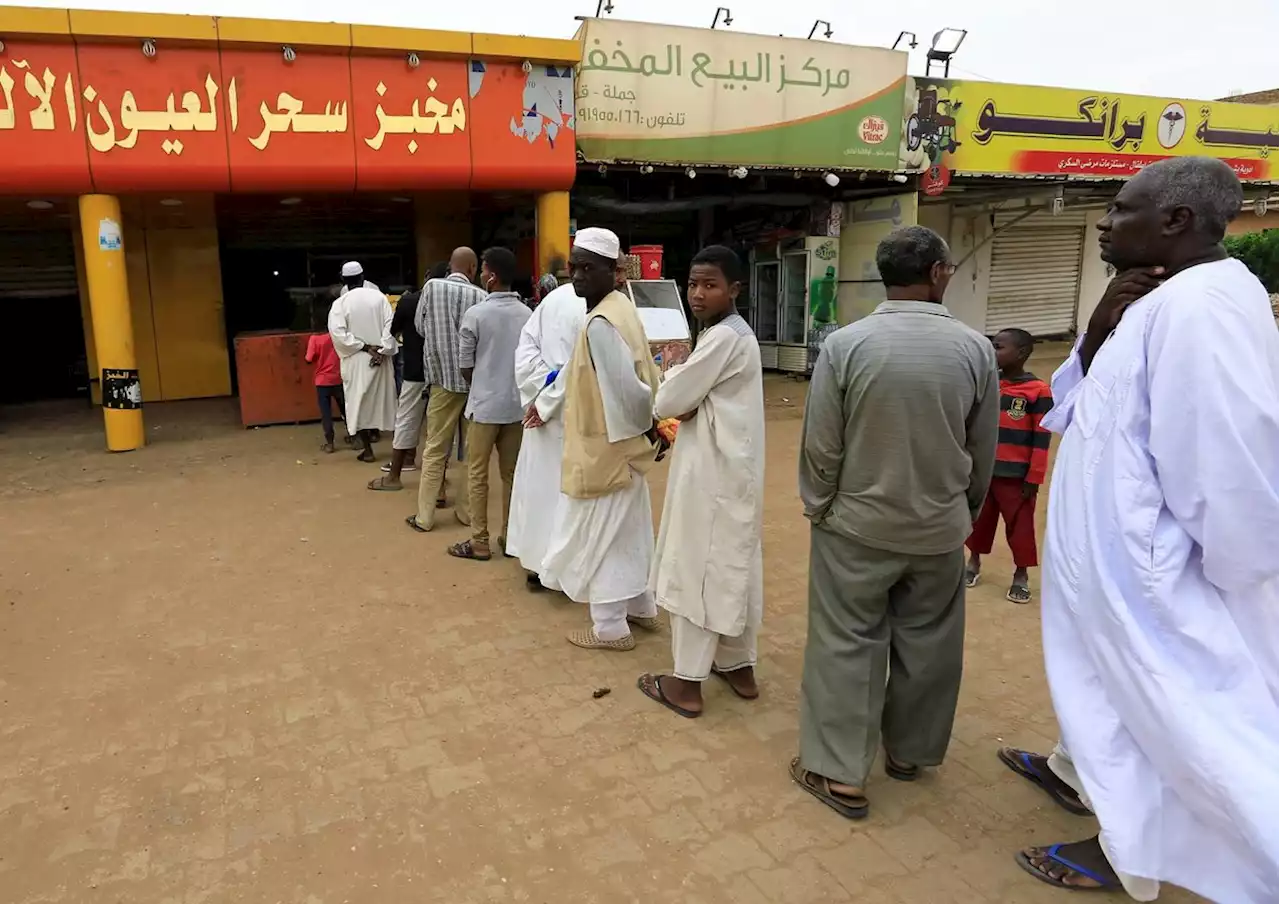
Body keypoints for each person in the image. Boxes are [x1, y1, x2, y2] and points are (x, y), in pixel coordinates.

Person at [1005, 157, 1280, 902]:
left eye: (1120, 209)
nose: (1102, 221)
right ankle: (1076, 774)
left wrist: (1224, 577)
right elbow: (1082, 408)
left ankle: (1134, 851)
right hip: (1115, 569)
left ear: (1176, 221)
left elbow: (1224, 460)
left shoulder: (1205, 307)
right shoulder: (1157, 296)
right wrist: (1094, 333)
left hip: (1158, 578)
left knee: (1182, 719)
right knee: (1104, 696)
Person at [791, 225, 999, 819]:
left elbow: (822, 445)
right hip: (938, 530)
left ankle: (841, 775)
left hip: (855, 525)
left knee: (846, 641)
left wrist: (820, 505)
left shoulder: (846, 345)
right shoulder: (975, 349)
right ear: (937, 273)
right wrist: (964, 513)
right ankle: (908, 753)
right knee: (929, 642)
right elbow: (981, 449)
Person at [636, 245, 765, 718]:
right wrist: (688, 392)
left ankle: (686, 682)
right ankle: (736, 664)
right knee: (736, 567)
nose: (697, 294)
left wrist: (674, 374)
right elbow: (687, 400)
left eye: (710, 285)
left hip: (712, 476)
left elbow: (669, 399)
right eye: (692, 284)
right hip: (733, 475)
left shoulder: (722, 339)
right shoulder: (732, 335)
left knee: (697, 569)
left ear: (734, 289)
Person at [539, 227, 664, 652]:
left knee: (604, 537)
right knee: (630, 533)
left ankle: (611, 627)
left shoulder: (602, 322)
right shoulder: (619, 308)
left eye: (589, 268)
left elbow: (628, 393)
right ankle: (643, 606)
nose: (578, 275)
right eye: (574, 267)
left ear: (616, 272)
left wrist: (642, 432)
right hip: (624, 450)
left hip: (608, 452)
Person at [446, 247, 531, 561]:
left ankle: (479, 540)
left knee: (477, 474)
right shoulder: (528, 315)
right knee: (512, 475)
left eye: (482, 270)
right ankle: (511, 537)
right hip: (517, 406)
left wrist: (482, 384)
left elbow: (465, 365)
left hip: (484, 407)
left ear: (492, 277)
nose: (480, 275)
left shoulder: (476, 314)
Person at [506, 282, 588, 590]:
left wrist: (542, 390)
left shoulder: (554, 300)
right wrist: (550, 392)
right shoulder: (603, 305)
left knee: (545, 491)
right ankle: (560, 569)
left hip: (550, 414)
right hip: (569, 415)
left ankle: (539, 564)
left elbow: (525, 354)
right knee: (559, 492)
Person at [964, 328, 1053, 603]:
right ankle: (973, 562)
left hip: (1016, 476)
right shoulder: (989, 384)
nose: (993, 352)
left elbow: (1041, 438)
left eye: (999, 347)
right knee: (978, 521)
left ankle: (1021, 574)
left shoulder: (1038, 391)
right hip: (985, 471)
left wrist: (1033, 476)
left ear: (1022, 353)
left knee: (1020, 526)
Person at [406, 247, 485, 533]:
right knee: (469, 452)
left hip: (441, 382)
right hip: (473, 384)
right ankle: (465, 513)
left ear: (451, 265)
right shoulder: (481, 296)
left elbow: (419, 327)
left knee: (435, 449)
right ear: (473, 268)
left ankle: (425, 517)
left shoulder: (432, 287)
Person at [369, 262, 448, 491]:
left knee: (405, 419)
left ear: (426, 276)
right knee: (441, 426)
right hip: (445, 373)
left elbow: (393, 331)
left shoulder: (410, 300)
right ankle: (439, 484)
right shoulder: (452, 302)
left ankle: (395, 475)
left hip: (415, 370)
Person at [327, 261, 398, 462]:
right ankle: (400, 452)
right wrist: (382, 350)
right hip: (381, 360)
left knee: (358, 404)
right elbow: (391, 326)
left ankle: (368, 451)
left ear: (343, 280)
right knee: (388, 404)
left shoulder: (340, 304)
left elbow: (338, 334)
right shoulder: (379, 298)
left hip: (356, 360)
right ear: (362, 277)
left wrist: (366, 348)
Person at [304, 301, 349, 453]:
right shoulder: (336, 336)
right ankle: (354, 437)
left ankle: (330, 443)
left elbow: (309, 359)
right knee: (346, 410)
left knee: (326, 413)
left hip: (322, 382)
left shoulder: (314, 339)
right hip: (338, 379)